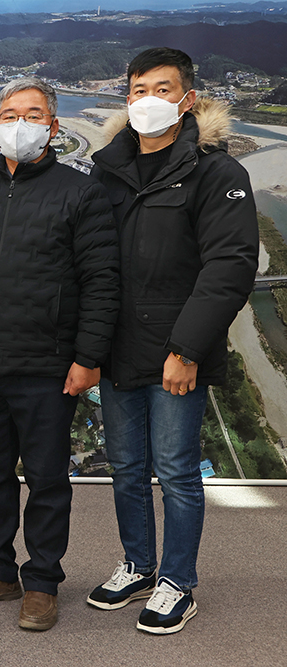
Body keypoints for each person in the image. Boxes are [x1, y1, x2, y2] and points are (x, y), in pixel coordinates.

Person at [0, 77, 120, 632]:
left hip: (48, 364)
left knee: (45, 478)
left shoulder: (81, 193)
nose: (20, 123)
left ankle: (41, 580)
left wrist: (88, 357)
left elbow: (102, 281)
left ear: (53, 126)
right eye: (9, 114)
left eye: (32, 114)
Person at [86, 47, 258, 634]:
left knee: (178, 470)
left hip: (175, 354)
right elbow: (89, 259)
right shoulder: (106, 168)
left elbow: (230, 267)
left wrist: (186, 350)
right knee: (127, 467)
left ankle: (177, 580)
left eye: (162, 89)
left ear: (187, 99)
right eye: (137, 90)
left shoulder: (217, 172)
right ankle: (137, 563)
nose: (147, 100)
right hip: (116, 348)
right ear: (126, 97)